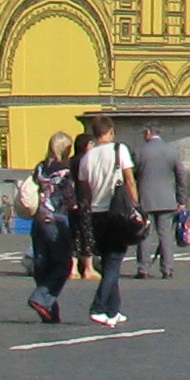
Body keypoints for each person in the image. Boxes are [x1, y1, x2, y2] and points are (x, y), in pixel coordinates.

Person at [69, 112, 142, 329]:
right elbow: (129, 180)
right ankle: (98, 307)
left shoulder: (86, 157)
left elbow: (84, 188)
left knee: (110, 259)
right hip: (117, 211)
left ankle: (113, 309)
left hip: (96, 213)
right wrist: (136, 205)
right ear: (110, 132)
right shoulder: (120, 150)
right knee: (113, 262)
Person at [22, 137, 75, 323]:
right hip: (56, 219)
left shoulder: (40, 167)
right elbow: (69, 198)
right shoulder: (64, 171)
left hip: (38, 218)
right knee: (62, 264)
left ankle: (51, 310)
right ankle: (41, 299)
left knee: (42, 264)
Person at [129, 127, 183, 276]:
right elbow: (181, 176)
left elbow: (131, 176)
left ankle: (143, 269)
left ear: (147, 133)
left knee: (144, 233)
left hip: (145, 198)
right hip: (167, 199)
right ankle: (167, 269)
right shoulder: (172, 150)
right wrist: (181, 199)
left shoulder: (139, 151)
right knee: (165, 235)